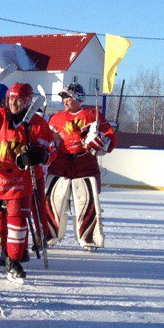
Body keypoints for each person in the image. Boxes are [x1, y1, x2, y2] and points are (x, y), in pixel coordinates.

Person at [0, 83, 55, 281]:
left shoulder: (37, 123)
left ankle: (13, 260)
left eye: (19, 99)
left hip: (19, 182)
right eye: (11, 98)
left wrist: (41, 154)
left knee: (17, 223)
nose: (14, 102)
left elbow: (51, 149)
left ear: (28, 101)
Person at [46, 83, 115, 249]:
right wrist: (49, 143)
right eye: (63, 97)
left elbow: (110, 138)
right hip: (60, 163)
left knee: (86, 201)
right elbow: (46, 139)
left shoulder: (93, 115)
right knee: (52, 200)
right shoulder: (55, 118)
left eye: (68, 97)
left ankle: (88, 239)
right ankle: (48, 235)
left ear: (79, 98)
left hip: (84, 163)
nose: (65, 101)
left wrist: (102, 142)